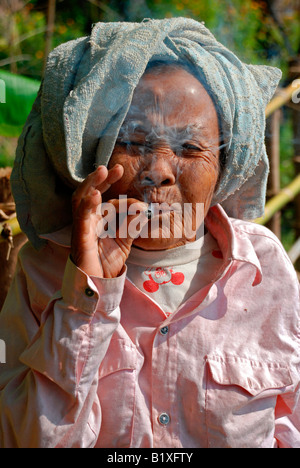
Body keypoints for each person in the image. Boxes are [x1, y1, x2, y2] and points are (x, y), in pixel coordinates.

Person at [0, 17, 299, 448]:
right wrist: (87, 296)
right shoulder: (44, 272)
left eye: (190, 148)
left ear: (225, 168)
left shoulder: (264, 269)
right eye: (134, 143)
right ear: (94, 154)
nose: (158, 173)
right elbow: (29, 439)